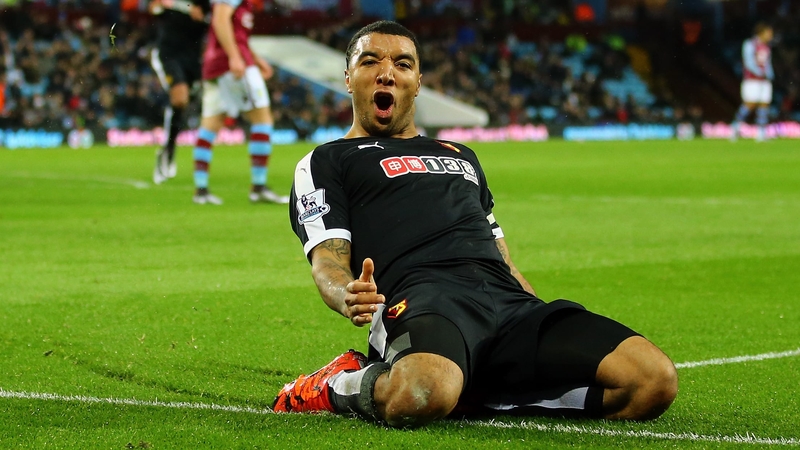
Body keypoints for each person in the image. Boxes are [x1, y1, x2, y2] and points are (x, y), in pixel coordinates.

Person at [273, 21, 678, 428]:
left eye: (402, 63)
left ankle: (468, 385)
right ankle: (337, 383)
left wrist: (531, 311)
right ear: (348, 78)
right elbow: (326, 259)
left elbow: (499, 250)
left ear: (417, 81)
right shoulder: (327, 160)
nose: (386, 73)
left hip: (506, 305)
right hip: (424, 300)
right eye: (370, 61)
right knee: (422, 393)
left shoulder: (461, 155)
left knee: (652, 382)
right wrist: (346, 294)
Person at [190, 0, 289, 205]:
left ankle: (201, 190)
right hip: (232, 65)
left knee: (211, 124)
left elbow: (237, 34)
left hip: (215, 65)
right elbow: (220, 19)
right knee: (263, 119)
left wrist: (256, 58)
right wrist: (235, 57)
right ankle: (259, 187)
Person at [149, 0, 210, 184]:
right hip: (168, 54)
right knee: (180, 99)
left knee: (185, 105)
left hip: (193, 58)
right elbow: (154, 8)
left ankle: (169, 148)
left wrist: (203, 17)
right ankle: (167, 151)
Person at [731, 23, 774, 142]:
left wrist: (770, 74)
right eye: (769, 33)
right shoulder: (750, 44)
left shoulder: (767, 46)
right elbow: (748, 61)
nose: (771, 36)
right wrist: (760, 72)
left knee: (764, 104)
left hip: (764, 81)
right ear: (761, 33)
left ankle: (761, 133)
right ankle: (735, 126)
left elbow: (768, 63)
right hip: (751, 80)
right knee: (749, 104)